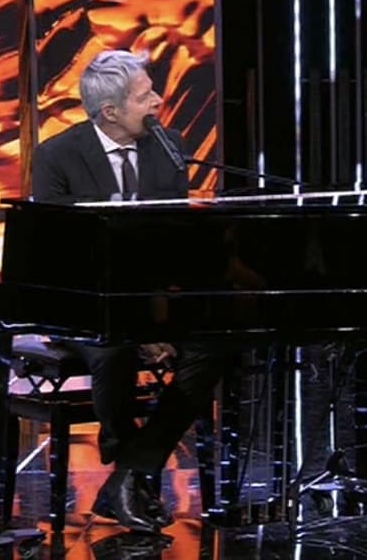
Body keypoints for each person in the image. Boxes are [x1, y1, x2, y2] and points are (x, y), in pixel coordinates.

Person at [31, 50, 226, 531]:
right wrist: (137, 328)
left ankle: (130, 471)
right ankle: (130, 468)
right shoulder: (56, 156)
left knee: (217, 343)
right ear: (110, 112)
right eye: (145, 96)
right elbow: (60, 257)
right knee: (113, 351)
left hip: (150, 299)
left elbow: (172, 241)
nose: (158, 101)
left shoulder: (168, 145)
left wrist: (154, 316)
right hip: (81, 303)